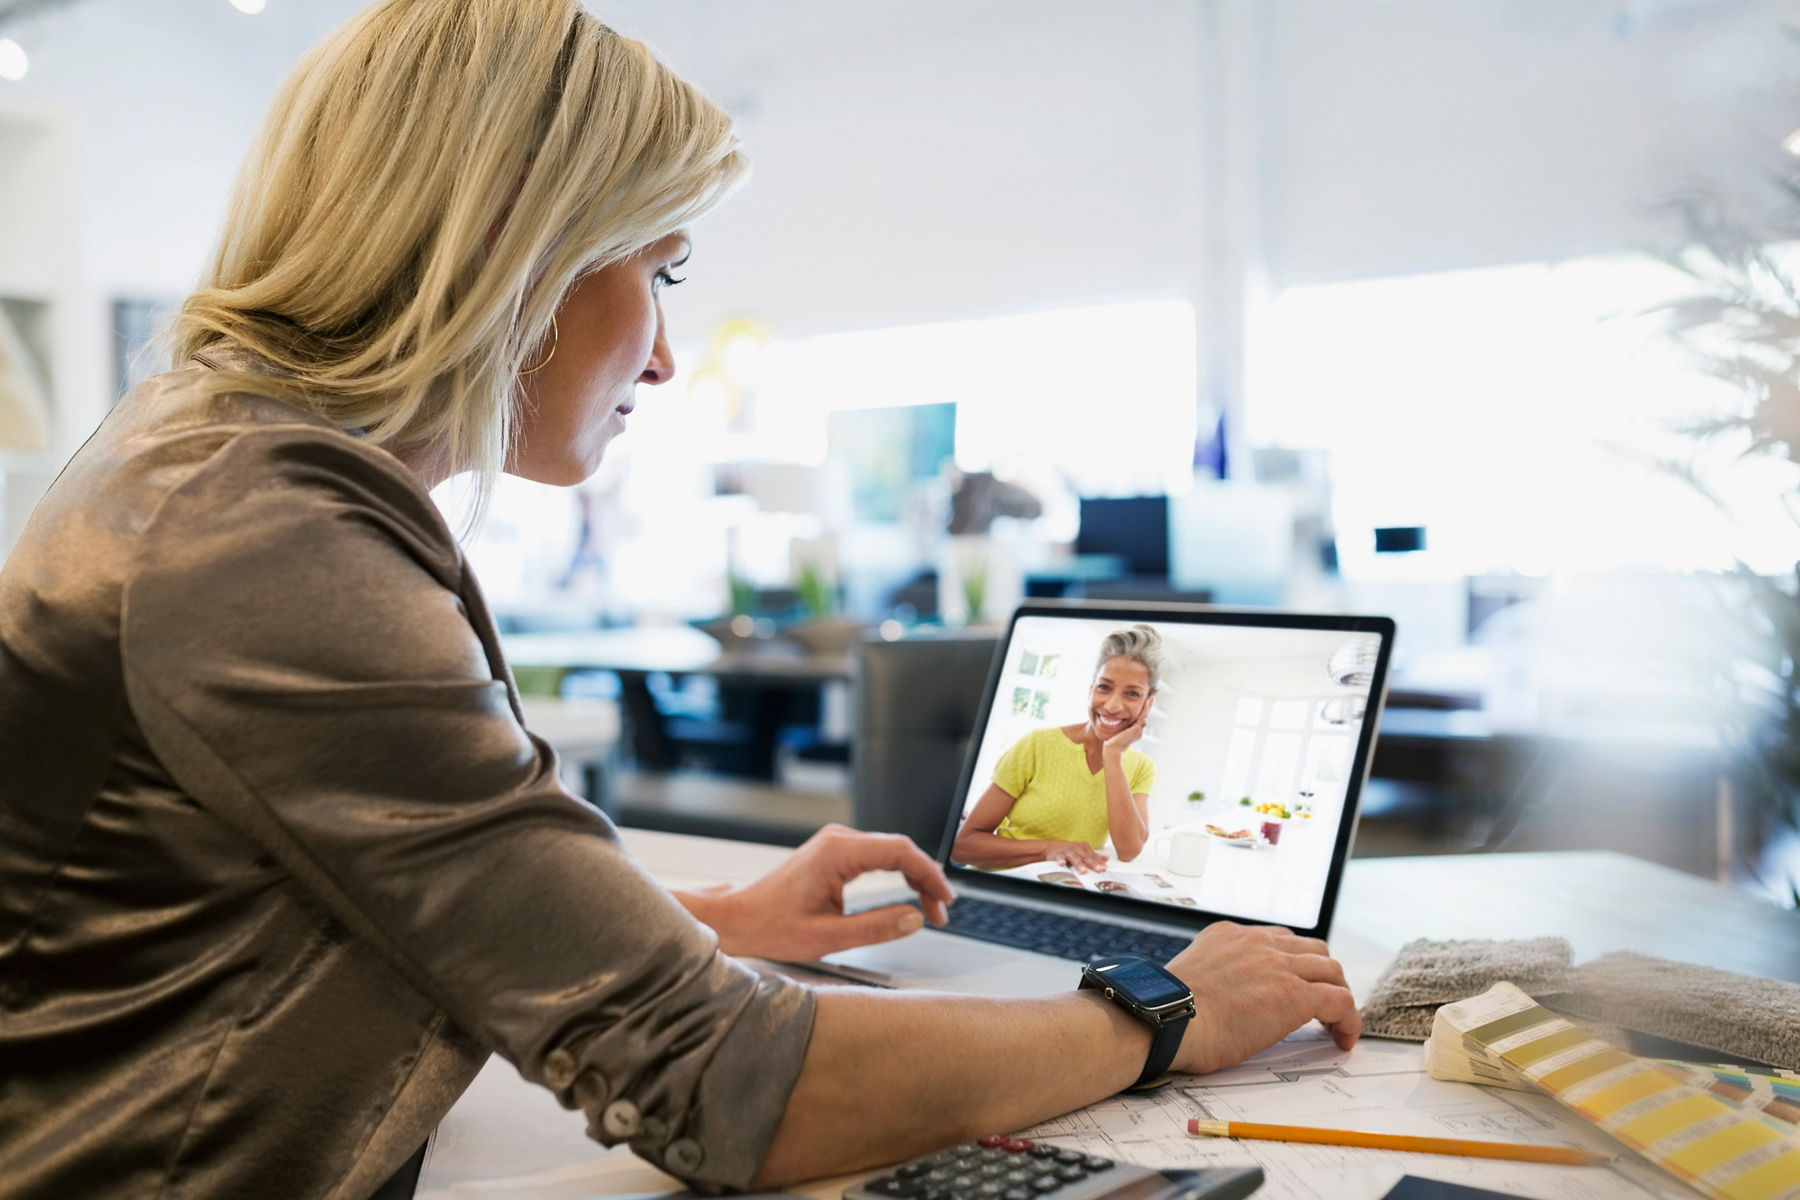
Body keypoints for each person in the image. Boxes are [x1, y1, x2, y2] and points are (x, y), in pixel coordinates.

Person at [0, 3, 1361, 1197]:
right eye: (660, 272)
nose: (662, 356)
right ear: (513, 236)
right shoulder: (269, 529)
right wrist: (1160, 1012)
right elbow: (717, 1087)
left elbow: (333, 896)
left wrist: (705, 923)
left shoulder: (209, 452)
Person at [952, 625, 1163, 873]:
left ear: (1149, 702)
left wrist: (1112, 755)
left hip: (1062, 892)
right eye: (1104, 687)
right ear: (1091, 688)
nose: (1112, 705)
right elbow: (964, 845)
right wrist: (1048, 849)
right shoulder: (1036, 745)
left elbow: (1129, 850)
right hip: (1000, 884)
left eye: (1132, 694)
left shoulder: (1141, 768)